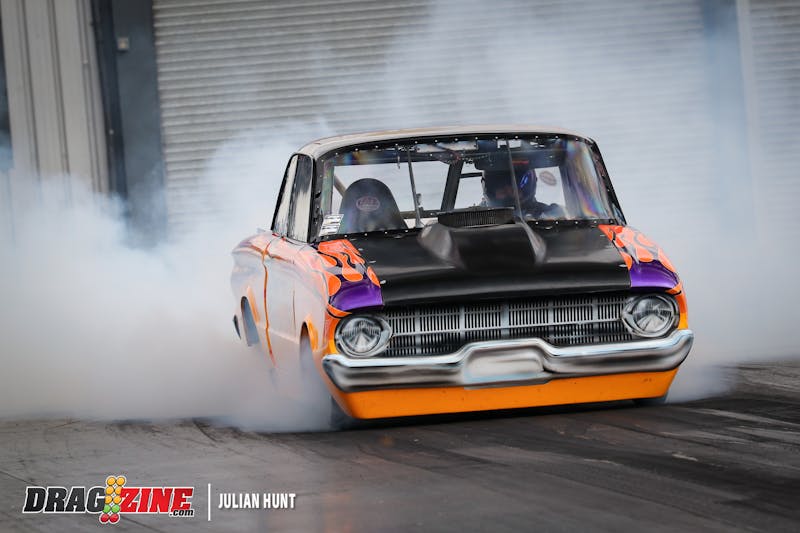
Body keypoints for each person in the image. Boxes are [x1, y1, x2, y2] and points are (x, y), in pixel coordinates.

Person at [481, 163, 564, 219]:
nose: (509, 191)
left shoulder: (550, 214)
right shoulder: (478, 218)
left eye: (515, 186)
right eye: (501, 188)